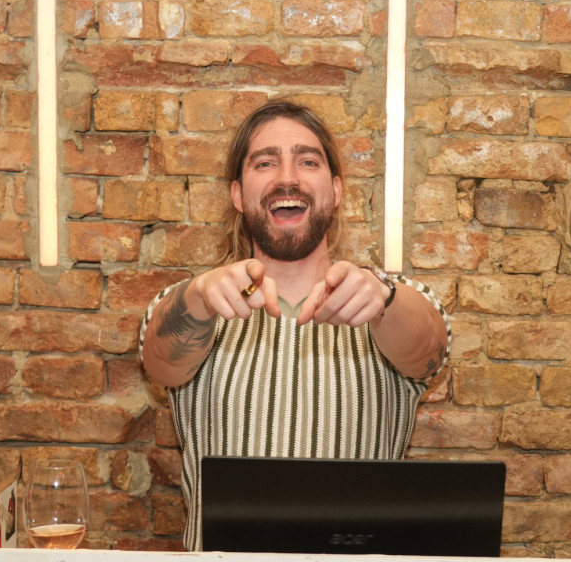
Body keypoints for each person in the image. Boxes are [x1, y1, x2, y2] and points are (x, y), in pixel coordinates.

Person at [139, 100, 451, 551]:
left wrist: (383, 299)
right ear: (237, 194)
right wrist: (198, 296)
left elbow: (428, 353)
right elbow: (161, 365)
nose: (287, 178)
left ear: (336, 190)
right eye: (265, 163)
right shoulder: (199, 304)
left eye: (307, 161)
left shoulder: (387, 300)